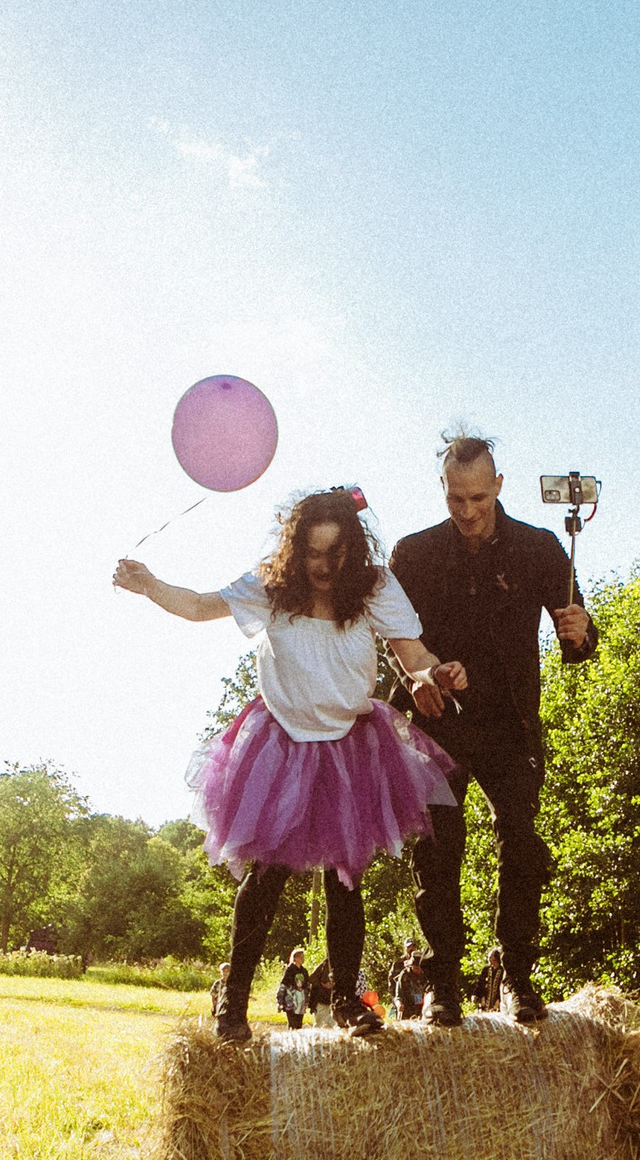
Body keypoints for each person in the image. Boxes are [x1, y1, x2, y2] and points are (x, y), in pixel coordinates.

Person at [115, 487, 468, 1041]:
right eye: (313, 553)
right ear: (295, 549)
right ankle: (233, 1003)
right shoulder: (272, 589)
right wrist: (150, 585)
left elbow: (414, 654)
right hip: (281, 747)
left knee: (345, 880)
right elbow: (201, 606)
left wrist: (433, 673)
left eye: (336, 553)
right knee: (266, 877)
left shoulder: (373, 587)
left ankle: (347, 999)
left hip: (352, 745)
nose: (324, 566)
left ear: (354, 547)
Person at [389, 432, 596, 1024]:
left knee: (522, 845)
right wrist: (419, 678)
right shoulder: (414, 553)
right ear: (442, 489)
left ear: (499, 485)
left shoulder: (540, 547)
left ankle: (517, 975)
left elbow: (579, 632)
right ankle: (443, 982)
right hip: (438, 722)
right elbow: (394, 639)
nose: (468, 511)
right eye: (456, 499)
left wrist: (581, 632)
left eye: (479, 498)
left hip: (511, 723)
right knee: (437, 854)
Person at [277, 948, 311, 1030]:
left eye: (303, 957)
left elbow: (307, 986)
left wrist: (307, 1000)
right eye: (301, 957)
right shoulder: (290, 970)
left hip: (301, 1001)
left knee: (299, 1025)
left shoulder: (304, 971)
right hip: (290, 1001)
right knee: (292, 1023)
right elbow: (283, 985)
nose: (303, 959)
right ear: (295, 958)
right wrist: (280, 1001)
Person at [393, 941, 426, 1020]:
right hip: (407, 1011)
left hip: (423, 1011)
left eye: (419, 968)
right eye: (415, 968)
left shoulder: (426, 975)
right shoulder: (404, 976)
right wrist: (399, 1004)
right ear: (411, 966)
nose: (418, 970)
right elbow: (398, 996)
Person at [479, 943, 506, 1014]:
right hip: (485, 1000)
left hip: (497, 1002)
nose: (490, 959)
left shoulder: (502, 971)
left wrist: (500, 1000)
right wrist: (477, 995)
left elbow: (503, 986)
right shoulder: (486, 970)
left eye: (491, 957)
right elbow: (480, 983)